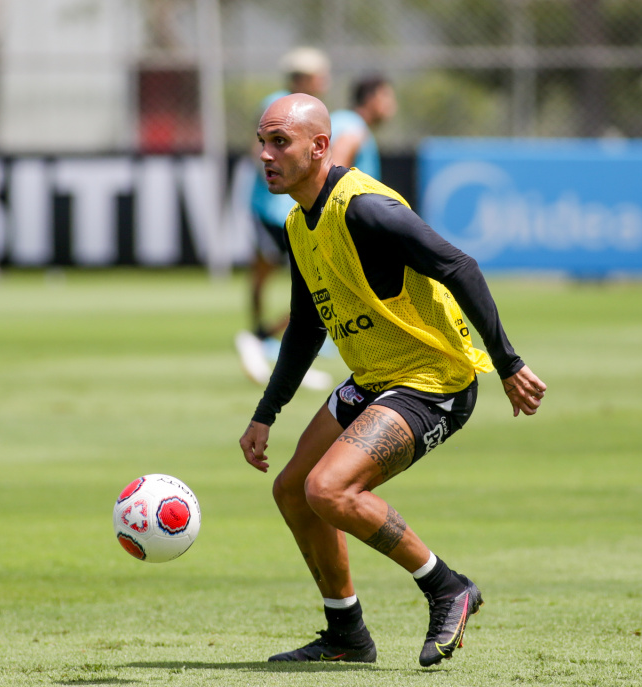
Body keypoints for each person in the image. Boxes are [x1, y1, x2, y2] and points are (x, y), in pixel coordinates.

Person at [238, 94, 547, 667]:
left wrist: (507, 364)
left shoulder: (365, 209)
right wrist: (266, 412)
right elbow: (306, 326)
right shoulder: (299, 224)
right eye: (262, 140)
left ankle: (447, 587)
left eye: (279, 141)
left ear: (320, 146)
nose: (265, 154)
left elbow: (460, 266)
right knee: (292, 490)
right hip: (375, 379)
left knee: (328, 490)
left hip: (435, 380)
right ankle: (347, 636)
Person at [235, 47, 332, 390]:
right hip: (279, 211)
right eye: (320, 74)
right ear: (304, 77)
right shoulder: (282, 106)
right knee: (313, 285)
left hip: (280, 210)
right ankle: (262, 337)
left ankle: (262, 339)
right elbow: (256, 153)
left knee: (281, 280)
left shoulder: (299, 108)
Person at [329, 74, 397, 180]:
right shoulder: (354, 128)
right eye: (386, 96)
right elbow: (332, 177)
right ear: (369, 98)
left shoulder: (346, 121)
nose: (391, 103)